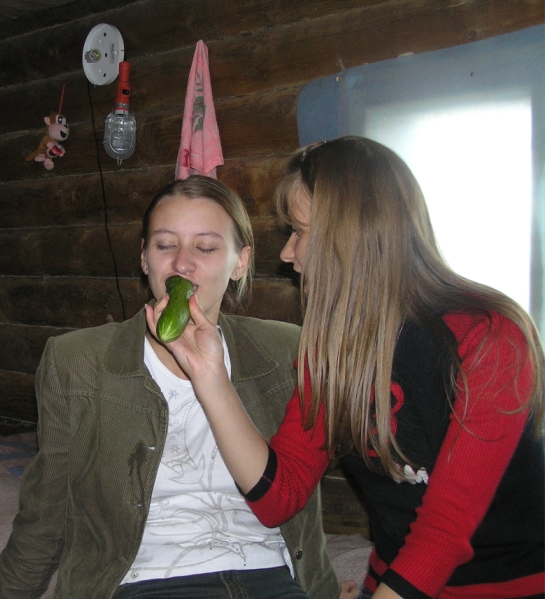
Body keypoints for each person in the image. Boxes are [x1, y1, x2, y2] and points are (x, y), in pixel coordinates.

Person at [146, 137, 545, 599]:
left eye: (299, 231)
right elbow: (278, 497)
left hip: (507, 585)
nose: (288, 253)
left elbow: (444, 532)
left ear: (352, 236)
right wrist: (209, 376)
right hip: (393, 579)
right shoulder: (331, 347)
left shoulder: (488, 336)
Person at [0, 176, 341, 599]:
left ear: (240, 262)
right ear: (145, 258)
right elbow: (46, 512)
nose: (182, 264)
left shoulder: (290, 350)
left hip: (269, 574)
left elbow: (302, 496)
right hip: (145, 579)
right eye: (165, 245)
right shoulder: (77, 360)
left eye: (206, 248)